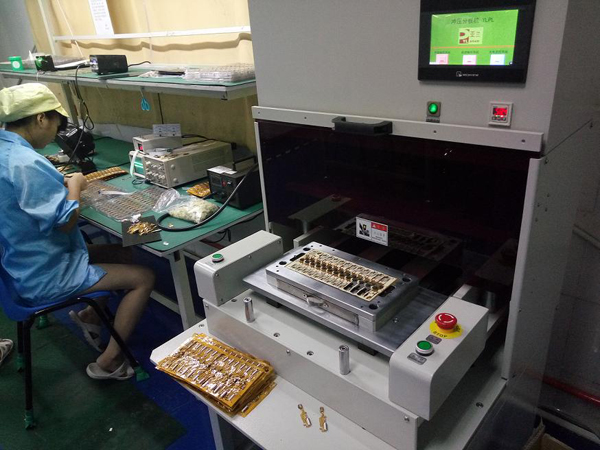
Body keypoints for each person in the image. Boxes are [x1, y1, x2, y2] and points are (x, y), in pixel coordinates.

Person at [0, 83, 154, 380]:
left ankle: (89, 315)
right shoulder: (26, 162)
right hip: (45, 274)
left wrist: (56, 182)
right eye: (56, 125)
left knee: (120, 252)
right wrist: (75, 185)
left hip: (22, 261)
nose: (55, 135)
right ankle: (109, 362)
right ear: (41, 118)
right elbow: (66, 223)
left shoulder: (6, 150)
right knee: (144, 277)